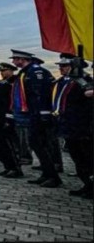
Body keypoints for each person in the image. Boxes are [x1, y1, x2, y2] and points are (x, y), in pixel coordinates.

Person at [10, 49, 61, 187]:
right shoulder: (25, 72)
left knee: (41, 144)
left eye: (15, 59)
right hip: (32, 114)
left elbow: (41, 93)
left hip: (40, 114)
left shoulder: (36, 72)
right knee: (36, 143)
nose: (13, 62)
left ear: (22, 59)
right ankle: (46, 173)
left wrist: (43, 113)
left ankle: (53, 176)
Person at [53, 55, 92, 198]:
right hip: (69, 124)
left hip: (81, 127)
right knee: (77, 157)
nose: (60, 68)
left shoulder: (84, 81)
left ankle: (91, 185)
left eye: (64, 66)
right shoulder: (67, 82)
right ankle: (86, 184)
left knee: (86, 158)